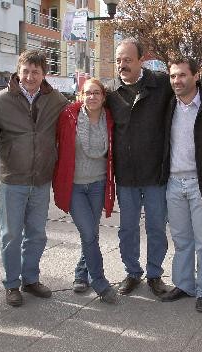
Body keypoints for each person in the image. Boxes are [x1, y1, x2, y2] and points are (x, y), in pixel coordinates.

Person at [105, 38, 202, 296]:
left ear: (141, 60)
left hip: (156, 175)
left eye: (128, 60)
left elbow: (186, 85)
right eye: (119, 60)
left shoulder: (161, 84)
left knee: (157, 228)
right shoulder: (111, 91)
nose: (122, 65)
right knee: (128, 229)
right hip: (126, 176)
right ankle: (132, 272)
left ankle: (154, 273)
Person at [0, 50, 68, 307]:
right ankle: (12, 284)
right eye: (26, 70)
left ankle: (31, 279)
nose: (30, 76)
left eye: (36, 71)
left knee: (36, 233)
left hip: (41, 179)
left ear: (44, 73)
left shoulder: (55, 99)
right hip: (13, 179)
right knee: (11, 234)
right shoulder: (0, 101)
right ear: (18, 71)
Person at [159, 58, 202, 313]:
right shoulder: (168, 104)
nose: (177, 81)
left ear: (196, 76)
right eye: (173, 76)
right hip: (174, 183)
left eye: (182, 75)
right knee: (181, 239)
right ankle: (184, 284)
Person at [52, 78, 118, 304]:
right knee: (89, 233)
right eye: (88, 93)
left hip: (98, 184)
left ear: (103, 96)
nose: (92, 97)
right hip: (75, 186)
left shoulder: (109, 117)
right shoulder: (69, 115)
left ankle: (81, 273)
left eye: (97, 93)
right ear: (80, 95)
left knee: (91, 233)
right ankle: (99, 281)